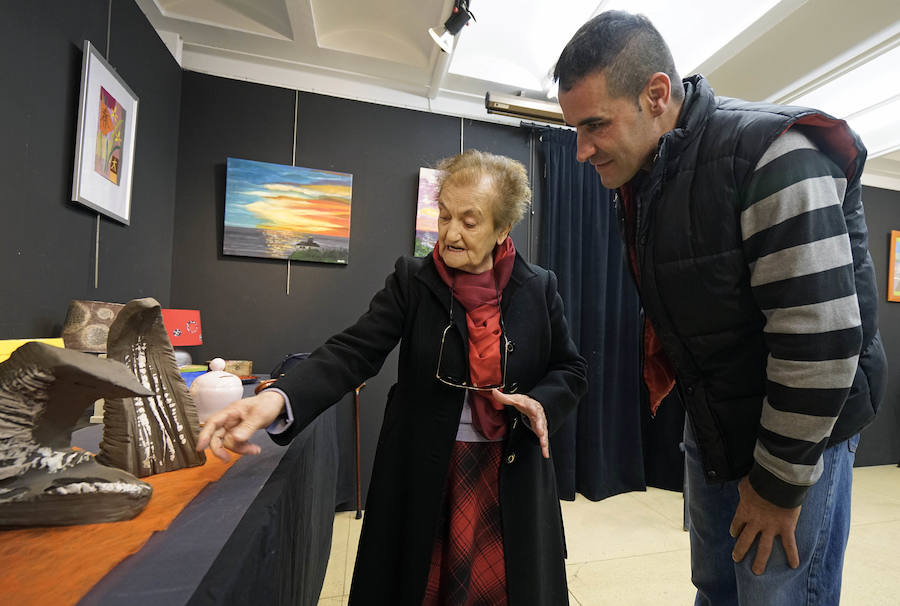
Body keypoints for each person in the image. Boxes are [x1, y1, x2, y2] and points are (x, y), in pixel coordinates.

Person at [553, 10, 886, 606]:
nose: (581, 150)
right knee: (717, 589)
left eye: (594, 125)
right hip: (716, 420)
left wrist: (778, 485)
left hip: (797, 430)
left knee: (775, 596)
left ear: (656, 94)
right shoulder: (650, 173)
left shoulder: (773, 153)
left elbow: (822, 343)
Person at [197, 149, 588, 605]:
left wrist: (542, 402)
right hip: (424, 470)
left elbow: (570, 368)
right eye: (444, 216)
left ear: (503, 229)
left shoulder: (539, 287)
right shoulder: (413, 279)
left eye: (469, 220)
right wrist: (277, 398)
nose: (450, 233)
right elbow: (354, 350)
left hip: (508, 475)